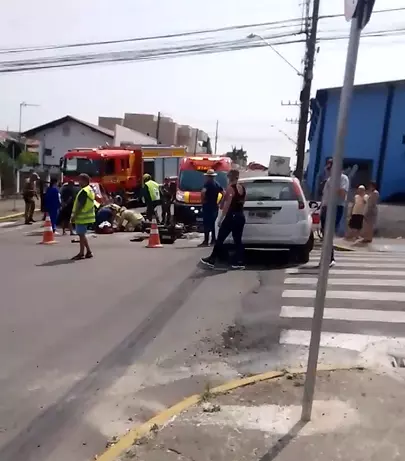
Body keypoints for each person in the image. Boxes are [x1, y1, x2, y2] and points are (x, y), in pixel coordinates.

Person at [200, 169, 246, 270]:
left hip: (232, 216)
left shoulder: (230, 188)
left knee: (220, 238)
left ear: (229, 177)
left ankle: (212, 260)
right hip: (240, 216)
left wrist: (221, 218)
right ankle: (239, 262)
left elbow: (227, 204)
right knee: (238, 240)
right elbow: (242, 202)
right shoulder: (242, 188)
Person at [320, 160, 349, 267]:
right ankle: (327, 257)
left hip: (336, 207)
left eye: (330, 168)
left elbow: (342, 194)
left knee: (329, 233)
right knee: (324, 233)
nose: (328, 170)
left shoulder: (343, 178)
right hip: (326, 207)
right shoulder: (329, 180)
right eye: (328, 168)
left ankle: (330, 258)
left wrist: (334, 185)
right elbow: (325, 196)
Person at [71, 173, 95, 260]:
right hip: (86, 216)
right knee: (82, 235)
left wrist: (74, 216)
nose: (78, 182)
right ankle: (88, 252)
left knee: (81, 235)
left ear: (84, 181)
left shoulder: (84, 191)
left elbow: (80, 205)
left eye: (80, 180)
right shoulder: (90, 190)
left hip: (81, 217)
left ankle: (82, 253)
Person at [199, 169, 223, 247]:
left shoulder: (207, 184)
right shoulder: (217, 184)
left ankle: (206, 241)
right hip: (214, 206)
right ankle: (213, 241)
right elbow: (224, 193)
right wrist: (220, 202)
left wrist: (203, 200)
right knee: (213, 224)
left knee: (206, 224)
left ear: (208, 177)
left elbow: (203, 192)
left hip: (207, 206)